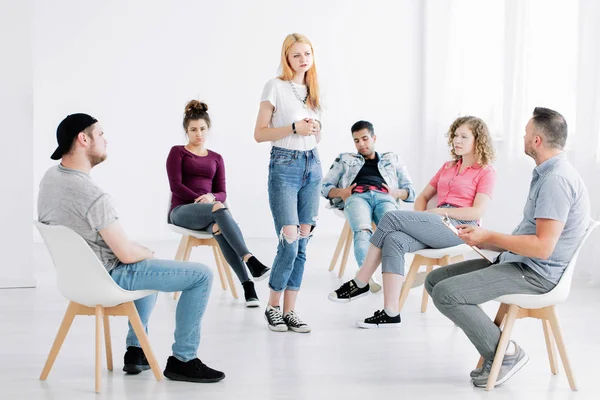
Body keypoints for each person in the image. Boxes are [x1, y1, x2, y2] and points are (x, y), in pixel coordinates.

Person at [38, 113, 225, 383]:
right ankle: (183, 359)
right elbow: (125, 255)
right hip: (108, 276)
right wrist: (146, 252)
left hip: (74, 279)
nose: (105, 140)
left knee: (144, 262)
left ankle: (136, 352)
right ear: (83, 139)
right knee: (200, 275)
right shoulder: (93, 196)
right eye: (100, 134)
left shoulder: (50, 179)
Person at [426, 107, 590, 388]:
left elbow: (542, 248)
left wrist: (489, 234)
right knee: (435, 279)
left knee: (447, 293)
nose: (523, 137)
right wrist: (482, 239)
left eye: (526, 133)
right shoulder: (547, 173)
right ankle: (497, 348)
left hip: (535, 273)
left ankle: (506, 354)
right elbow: (530, 237)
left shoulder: (556, 181)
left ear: (537, 141)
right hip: (521, 261)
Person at [329, 116, 497, 331]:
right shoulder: (448, 167)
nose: (457, 140)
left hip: (460, 227)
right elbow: (422, 197)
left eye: (464, 136)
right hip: (436, 221)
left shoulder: (486, 171)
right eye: (455, 135)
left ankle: (360, 281)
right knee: (393, 239)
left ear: (478, 140)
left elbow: (477, 211)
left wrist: (438, 212)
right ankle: (391, 312)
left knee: (390, 217)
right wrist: (422, 219)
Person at [167, 100, 270, 308]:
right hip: (182, 211)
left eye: (202, 129)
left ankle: (248, 286)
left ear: (208, 128)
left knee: (218, 227)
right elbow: (176, 186)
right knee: (219, 209)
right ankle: (250, 259)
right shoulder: (178, 152)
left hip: (211, 212)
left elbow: (222, 192)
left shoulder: (216, 158)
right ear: (186, 131)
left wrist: (212, 197)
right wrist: (201, 199)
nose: (199, 134)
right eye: (193, 129)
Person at [254, 33, 323, 333]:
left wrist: (315, 129)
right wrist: (294, 127)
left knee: (304, 244)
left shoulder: (314, 89)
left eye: (307, 53)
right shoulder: (275, 87)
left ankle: (290, 311)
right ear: (286, 58)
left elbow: (316, 137)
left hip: (313, 166)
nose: (303, 59)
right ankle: (272, 307)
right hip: (284, 166)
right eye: (296, 55)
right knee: (290, 242)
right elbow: (259, 133)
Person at [321, 120, 415, 291]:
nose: (361, 144)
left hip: (385, 197)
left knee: (391, 232)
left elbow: (410, 191)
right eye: (356, 140)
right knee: (363, 229)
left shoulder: (391, 158)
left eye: (365, 139)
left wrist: (396, 193)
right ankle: (367, 277)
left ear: (374, 138)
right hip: (357, 196)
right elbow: (324, 187)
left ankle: (401, 274)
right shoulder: (345, 159)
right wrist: (341, 192)